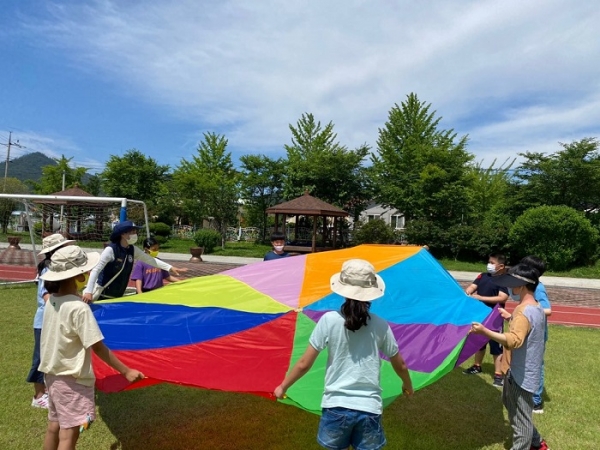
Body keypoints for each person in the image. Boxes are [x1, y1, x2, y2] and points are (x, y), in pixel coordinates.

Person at [274, 259, 413, 450]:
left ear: (342, 288)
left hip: (336, 406)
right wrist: (407, 384)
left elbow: (304, 363)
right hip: (369, 408)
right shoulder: (380, 325)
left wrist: (283, 386)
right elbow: (401, 364)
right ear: (370, 292)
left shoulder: (328, 321)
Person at [38, 245, 144, 450]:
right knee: (70, 433)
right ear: (80, 276)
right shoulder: (79, 308)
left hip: (52, 375)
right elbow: (98, 347)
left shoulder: (52, 301)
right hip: (72, 378)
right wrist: (126, 371)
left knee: (55, 425)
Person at [471, 263, 549, 450]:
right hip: (523, 371)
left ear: (521, 286)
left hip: (522, 376)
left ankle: (527, 444)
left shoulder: (523, 311)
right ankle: (537, 443)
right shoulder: (535, 307)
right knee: (510, 402)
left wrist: (485, 331)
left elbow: (514, 341)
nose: (511, 288)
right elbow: (527, 328)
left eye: (513, 284)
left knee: (521, 423)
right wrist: (510, 317)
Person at [82, 221, 185, 302]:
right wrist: (88, 291)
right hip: (102, 294)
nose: (135, 234)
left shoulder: (132, 249)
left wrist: (170, 268)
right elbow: (96, 270)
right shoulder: (111, 250)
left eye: (136, 232)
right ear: (123, 234)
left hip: (118, 294)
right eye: (132, 232)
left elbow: (150, 260)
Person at [27, 234, 75, 409]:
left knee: (54, 357)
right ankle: (39, 395)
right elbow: (46, 295)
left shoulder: (58, 268)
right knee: (41, 358)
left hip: (56, 320)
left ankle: (50, 391)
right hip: (45, 321)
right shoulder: (48, 270)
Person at [463, 253, 510, 387]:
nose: (489, 265)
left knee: (496, 346)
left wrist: (480, 298)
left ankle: (498, 375)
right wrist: (468, 292)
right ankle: (477, 366)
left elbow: (502, 298)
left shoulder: (503, 280)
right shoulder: (482, 276)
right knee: (478, 343)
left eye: (492, 262)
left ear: (501, 266)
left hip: (494, 317)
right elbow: (472, 287)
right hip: (479, 316)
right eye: (488, 262)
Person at [520, 255, 552, 413]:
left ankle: (536, 402)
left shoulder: (538, 288)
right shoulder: (527, 285)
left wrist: (528, 311)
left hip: (537, 335)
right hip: (529, 331)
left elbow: (548, 310)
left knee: (536, 365)